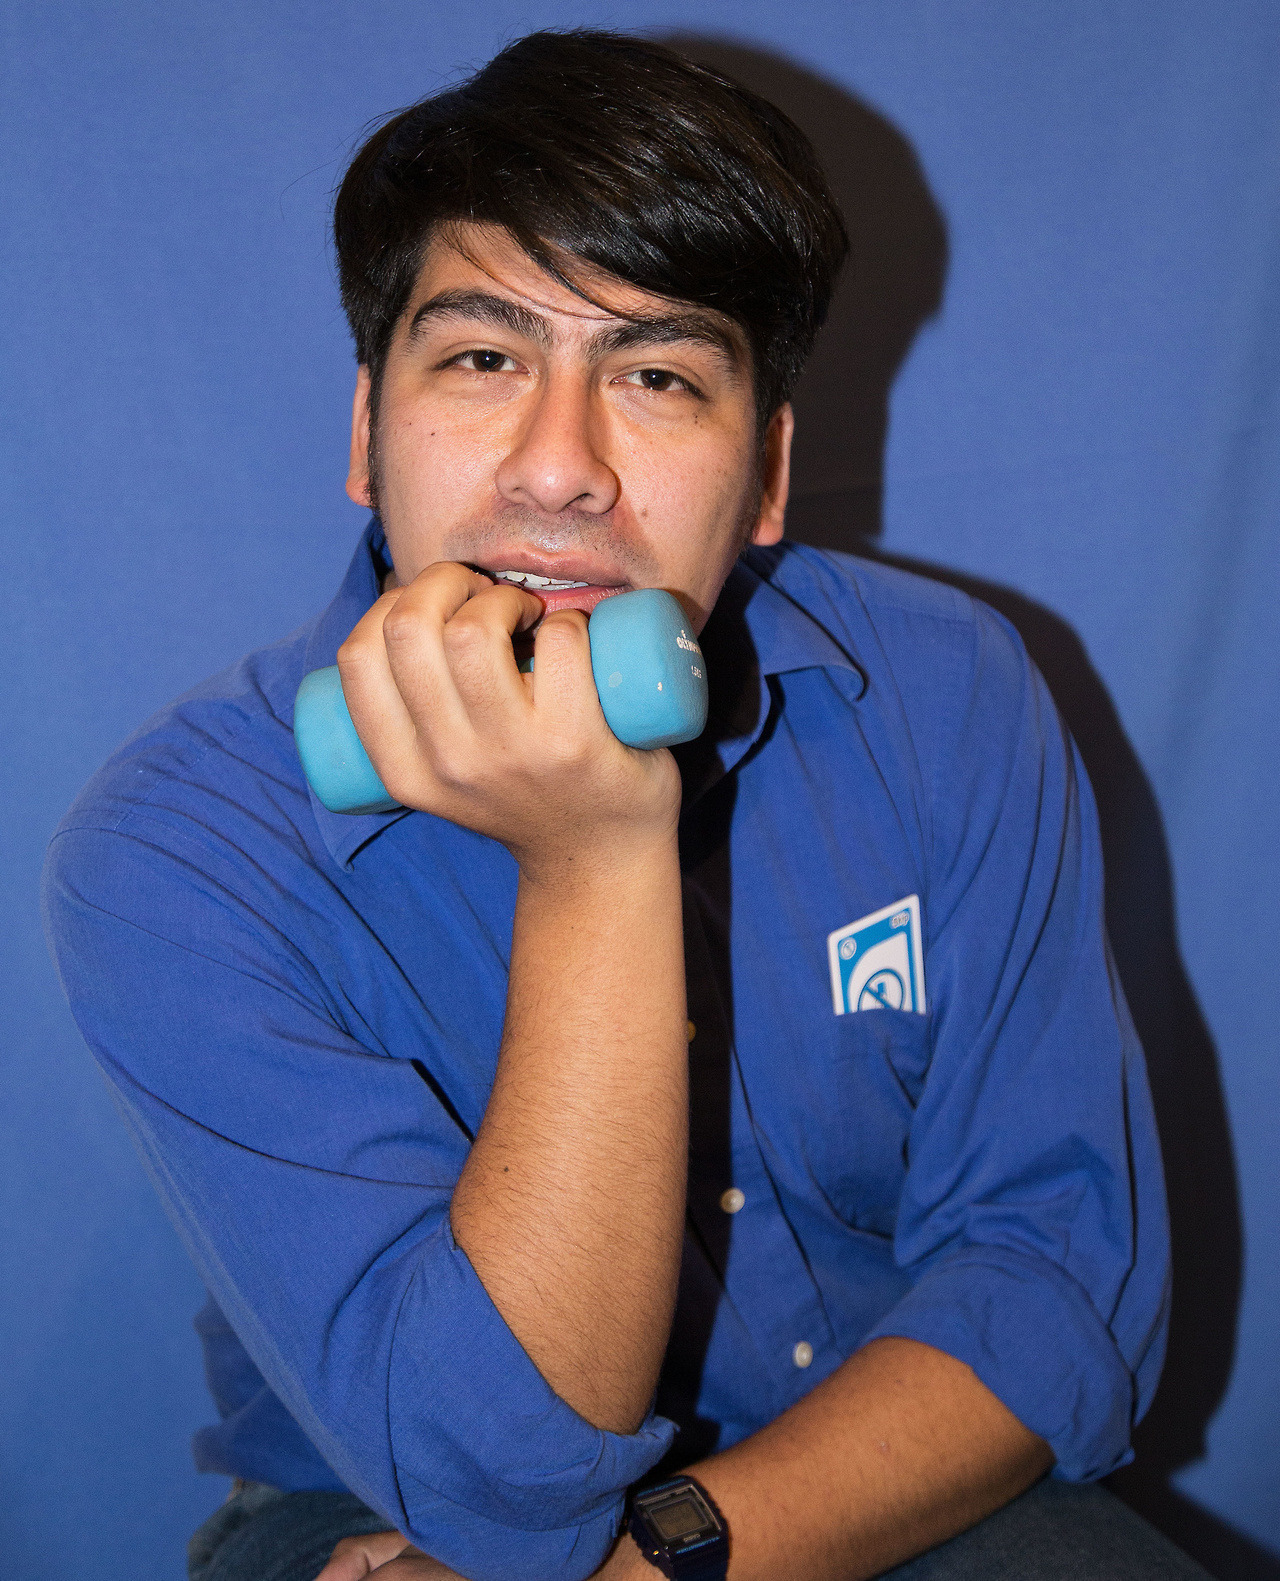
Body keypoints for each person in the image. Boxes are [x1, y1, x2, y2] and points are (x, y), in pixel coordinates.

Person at [42, 29, 1200, 1581]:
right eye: (483, 358)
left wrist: (659, 1562)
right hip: (383, 1503)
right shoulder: (180, 847)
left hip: (894, 1458)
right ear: (365, 431)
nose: (560, 469)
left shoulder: (947, 694)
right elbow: (498, 1491)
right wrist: (597, 869)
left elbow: (1055, 1277)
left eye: (656, 375)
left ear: (767, 478)